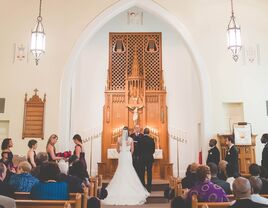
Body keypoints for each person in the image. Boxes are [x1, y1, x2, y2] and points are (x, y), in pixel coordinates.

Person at [102, 126, 149, 205]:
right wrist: (128, 154)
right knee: (129, 170)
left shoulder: (119, 139)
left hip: (122, 155)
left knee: (120, 170)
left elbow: (117, 149)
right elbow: (132, 150)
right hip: (127, 156)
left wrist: (121, 153)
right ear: (128, 132)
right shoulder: (130, 139)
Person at [139, 128, 155, 192]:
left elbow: (138, 150)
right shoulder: (151, 140)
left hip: (142, 158)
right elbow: (153, 150)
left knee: (142, 173)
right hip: (149, 158)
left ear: (143, 132)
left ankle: (143, 188)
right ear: (149, 133)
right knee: (149, 173)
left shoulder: (141, 139)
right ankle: (149, 189)